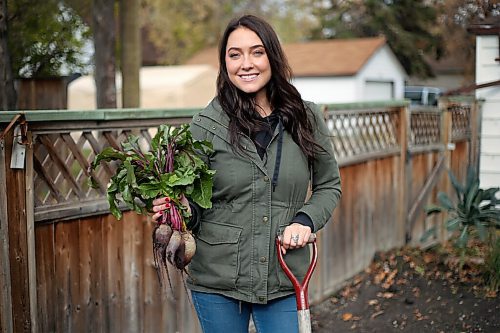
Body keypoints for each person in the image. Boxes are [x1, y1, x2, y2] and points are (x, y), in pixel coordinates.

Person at [152, 14, 341, 333]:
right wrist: (177, 209)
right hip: (218, 279)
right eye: (234, 54)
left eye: (257, 52)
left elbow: (329, 186)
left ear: (272, 55)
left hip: (283, 273)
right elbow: (195, 208)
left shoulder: (304, 117)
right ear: (224, 63)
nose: (246, 63)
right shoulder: (205, 126)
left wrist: (304, 220)